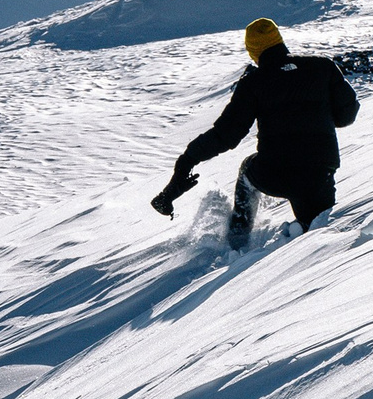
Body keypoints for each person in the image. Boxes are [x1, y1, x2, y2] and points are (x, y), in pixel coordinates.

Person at [152, 18, 359, 249]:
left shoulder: (253, 83)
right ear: (279, 40)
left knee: (246, 171)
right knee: (317, 231)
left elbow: (227, 135)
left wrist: (189, 158)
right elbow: (347, 115)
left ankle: (237, 245)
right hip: (320, 171)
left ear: (253, 50)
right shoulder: (323, 66)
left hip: (275, 172)